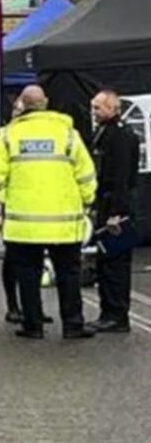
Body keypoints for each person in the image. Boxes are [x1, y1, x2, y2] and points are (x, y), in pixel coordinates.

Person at [0, 85, 97, 340]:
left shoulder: (9, 136)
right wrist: (87, 200)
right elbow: (86, 174)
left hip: (24, 223)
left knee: (28, 274)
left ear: (22, 104)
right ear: (45, 102)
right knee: (68, 273)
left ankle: (33, 325)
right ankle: (73, 325)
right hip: (64, 222)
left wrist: (3, 194)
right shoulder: (68, 134)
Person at [88, 89, 139, 333]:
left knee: (115, 264)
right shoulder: (105, 132)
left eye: (98, 108)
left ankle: (117, 315)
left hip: (116, 207)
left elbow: (121, 177)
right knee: (105, 261)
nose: (94, 112)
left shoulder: (120, 135)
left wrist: (116, 212)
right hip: (105, 203)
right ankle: (107, 311)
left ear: (112, 108)